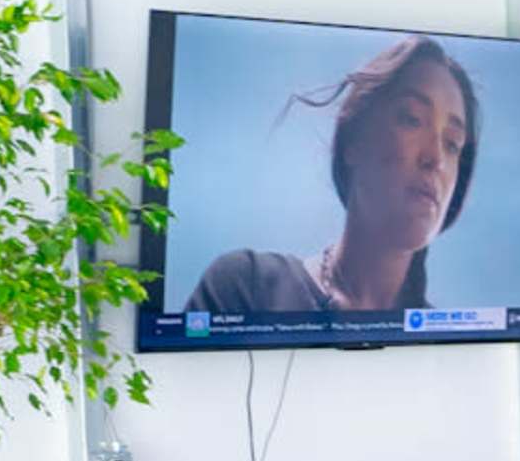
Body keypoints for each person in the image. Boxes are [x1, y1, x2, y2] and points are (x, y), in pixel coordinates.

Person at [184, 34, 481, 314]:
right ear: (354, 140)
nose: (436, 158)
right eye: (411, 119)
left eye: (453, 144)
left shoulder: (438, 337)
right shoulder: (244, 288)